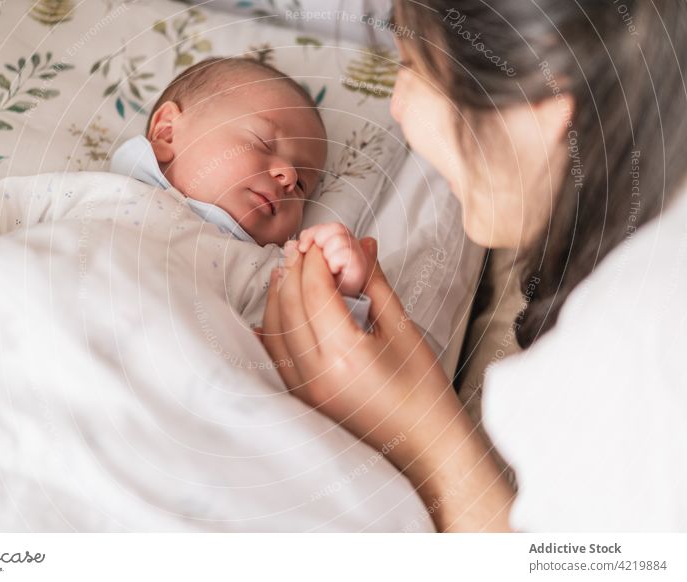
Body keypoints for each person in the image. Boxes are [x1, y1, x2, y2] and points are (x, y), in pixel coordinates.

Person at [259, 0, 687, 531]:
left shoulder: (629, 364)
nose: (396, 106)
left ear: (542, 105)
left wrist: (424, 440)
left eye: (411, 66)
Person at [0, 57, 370, 327]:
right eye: (264, 143)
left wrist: (341, 288)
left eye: (304, 183)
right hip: (18, 312)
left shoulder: (262, 269)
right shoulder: (93, 190)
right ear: (166, 133)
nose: (287, 176)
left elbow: (302, 348)